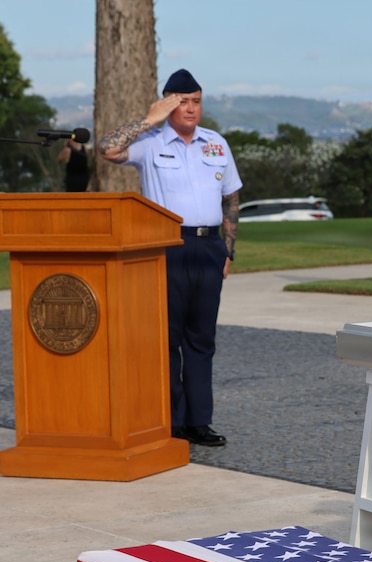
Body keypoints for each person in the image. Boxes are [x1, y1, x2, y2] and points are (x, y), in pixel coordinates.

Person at [98, 68, 242, 447]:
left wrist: (228, 248)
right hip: (167, 247)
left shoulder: (216, 144)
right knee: (167, 339)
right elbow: (107, 148)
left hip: (209, 248)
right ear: (167, 104)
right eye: (182, 102)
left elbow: (230, 197)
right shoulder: (151, 142)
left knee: (202, 339)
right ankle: (171, 421)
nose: (191, 109)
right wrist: (149, 119)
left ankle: (199, 422)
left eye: (196, 101)